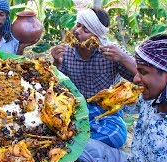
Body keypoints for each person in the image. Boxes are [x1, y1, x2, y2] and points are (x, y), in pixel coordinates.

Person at [71, 33, 167, 162]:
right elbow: (128, 105)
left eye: (143, 72)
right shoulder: (152, 96)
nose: (135, 79)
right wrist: (110, 96)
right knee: (71, 144)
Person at [51, 8, 137, 148]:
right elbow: (56, 86)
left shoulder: (111, 52)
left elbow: (141, 77)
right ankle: (79, 141)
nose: (77, 31)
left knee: (116, 136)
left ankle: (71, 141)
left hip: (104, 110)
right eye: (78, 25)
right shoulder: (65, 51)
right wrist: (56, 62)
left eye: (86, 30)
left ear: (96, 37)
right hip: (74, 108)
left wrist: (123, 58)